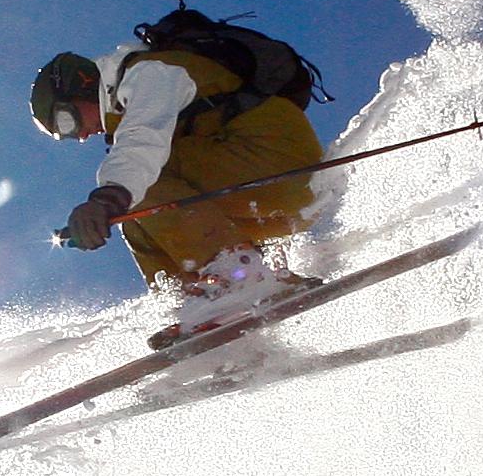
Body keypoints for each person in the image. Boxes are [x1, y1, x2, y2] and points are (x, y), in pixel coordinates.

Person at [31, 24, 326, 307]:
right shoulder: (126, 105)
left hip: (282, 164)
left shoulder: (151, 73)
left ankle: (246, 278)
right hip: (264, 199)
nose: (80, 135)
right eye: (65, 134)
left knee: (141, 186)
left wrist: (106, 199)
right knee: (133, 216)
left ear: (82, 85)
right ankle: (194, 303)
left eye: (67, 121)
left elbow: (142, 141)